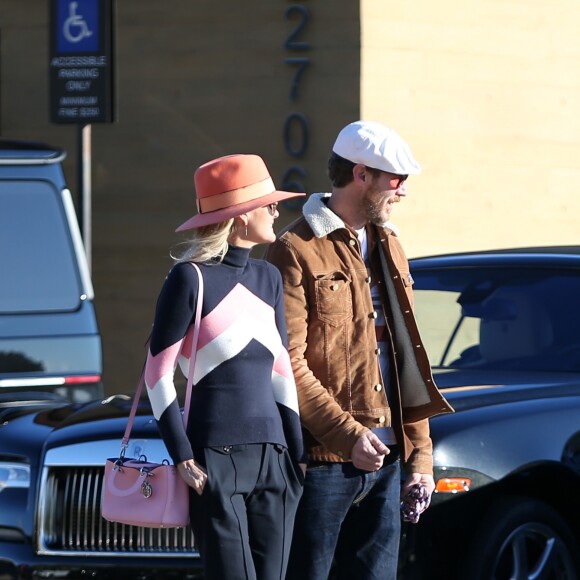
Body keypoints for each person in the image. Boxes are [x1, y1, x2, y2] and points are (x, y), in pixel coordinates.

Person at [265, 120, 453, 580]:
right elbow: (285, 363)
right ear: (361, 174)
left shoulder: (390, 244)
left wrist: (420, 459)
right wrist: (348, 437)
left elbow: (407, 357)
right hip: (322, 464)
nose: (402, 191)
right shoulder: (294, 250)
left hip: (388, 462)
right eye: (396, 179)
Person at [144, 153, 307, 580]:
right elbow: (157, 375)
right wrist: (182, 457)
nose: (276, 210)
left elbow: (281, 371)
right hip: (214, 459)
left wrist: (297, 455)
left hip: (275, 457)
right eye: (268, 203)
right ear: (239, 218)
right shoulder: (189, 279)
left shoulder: (268, 277)